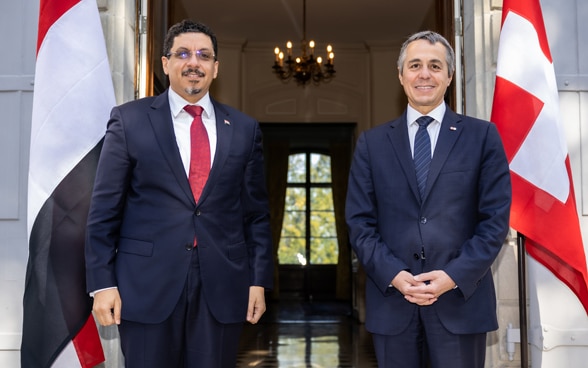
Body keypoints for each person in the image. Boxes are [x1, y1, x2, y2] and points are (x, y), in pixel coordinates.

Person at [85, 19, 273, 368]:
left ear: (215, 68)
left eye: (204, 55)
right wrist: (101, 284)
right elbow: (104, 210)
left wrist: (259, 281)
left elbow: (256, 214)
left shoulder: (245, 129)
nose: (193, 63)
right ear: (165, 63)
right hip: (144, 287)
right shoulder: (130, 121)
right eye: (183, 53)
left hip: (222, 286)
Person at [345, 30, 511, 368]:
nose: (424, 74)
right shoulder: (371, 144)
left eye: (435, 66)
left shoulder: (482, 137)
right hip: (393, 303)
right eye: (415, 65)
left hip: (460, 302)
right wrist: (394, 274)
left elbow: (494, 222)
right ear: (401, 75)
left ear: (449, 76)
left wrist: (452, 276)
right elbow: (359, 223)